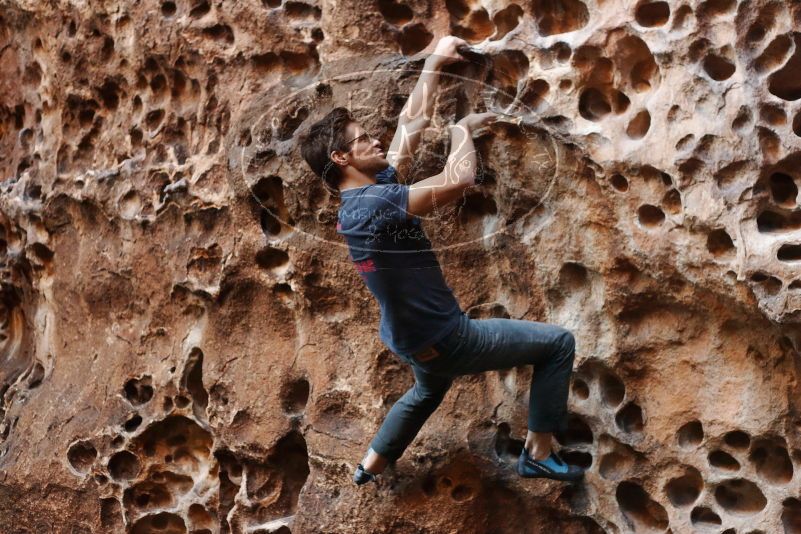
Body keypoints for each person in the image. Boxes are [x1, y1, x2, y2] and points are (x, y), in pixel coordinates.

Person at [299, 36, 584, 484]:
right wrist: (461, 131)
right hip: (450, 338)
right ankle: (538, 453)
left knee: (426, 390)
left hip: (408, 338)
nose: (375, 139)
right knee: (558, 344)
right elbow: (459, 178)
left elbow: (408, 127)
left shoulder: (359, 202)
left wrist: (435, 61)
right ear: (341, 157)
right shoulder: (376, 204)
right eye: (363, 139)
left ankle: (370, 464)